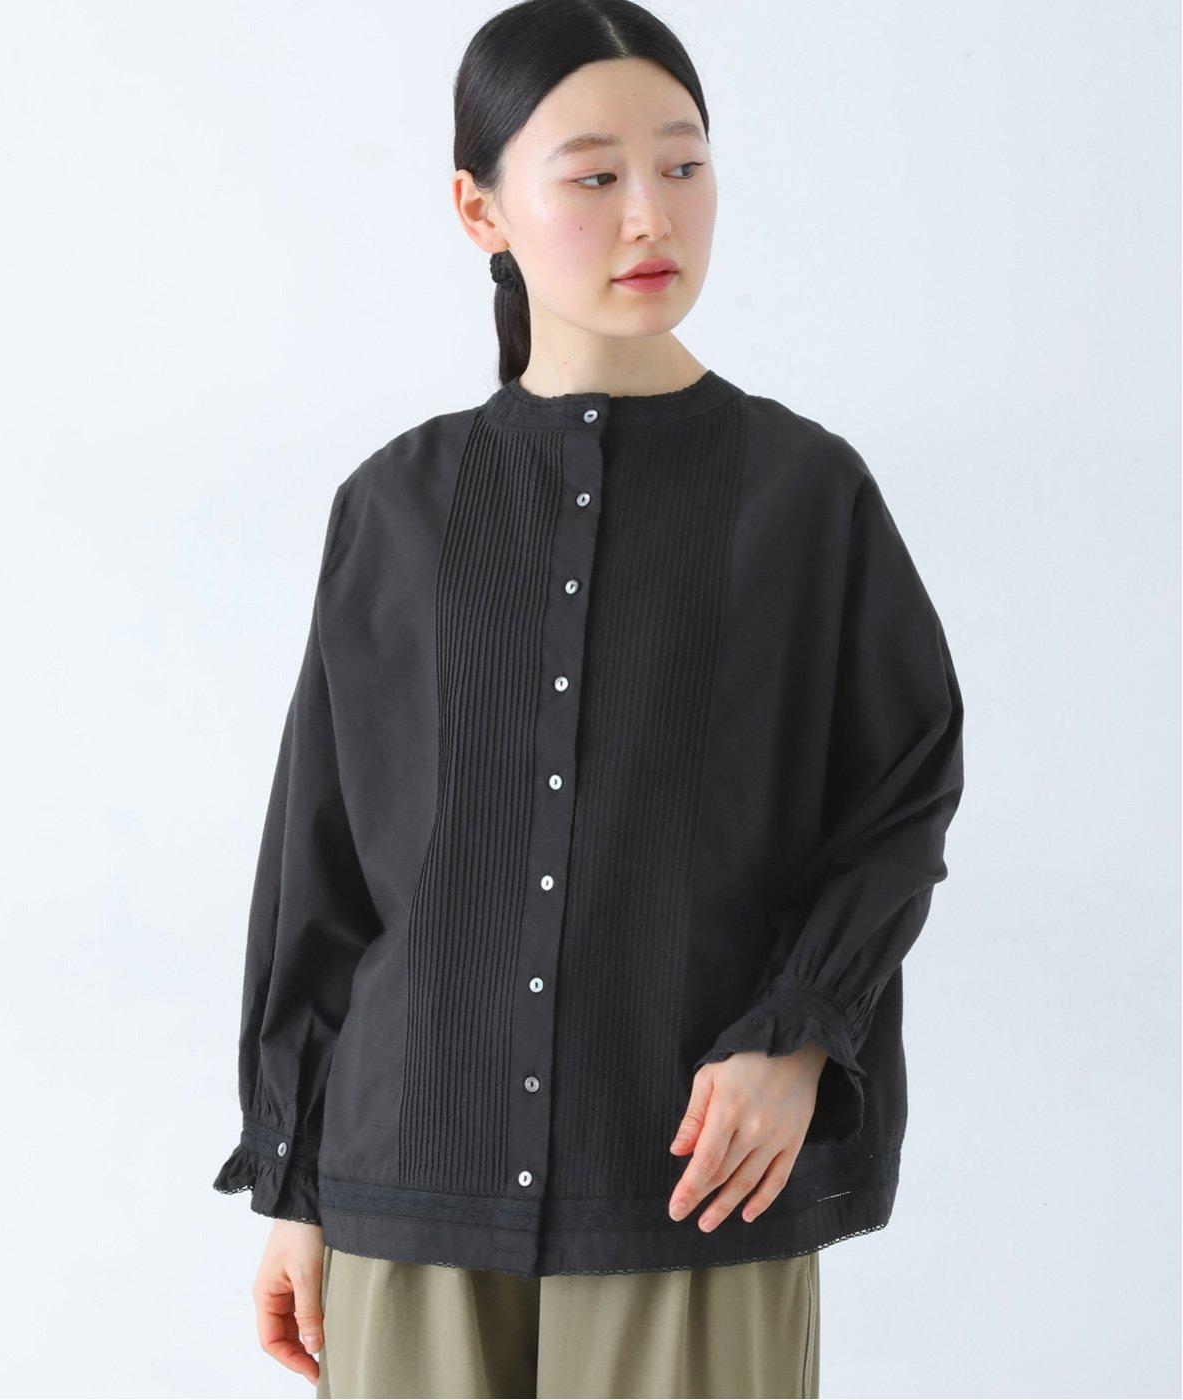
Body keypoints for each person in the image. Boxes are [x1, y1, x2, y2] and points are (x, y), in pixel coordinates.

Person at [212, 1, 966, 1396]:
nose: (649, 216)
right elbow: (322, 868)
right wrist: (295, 1185)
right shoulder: (395, 507)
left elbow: (901, 797)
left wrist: (798, 1035)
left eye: (682, 164)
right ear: (480, 209)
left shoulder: (807, 497)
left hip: (688, 1187)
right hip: (408, 1190)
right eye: (594, 174)